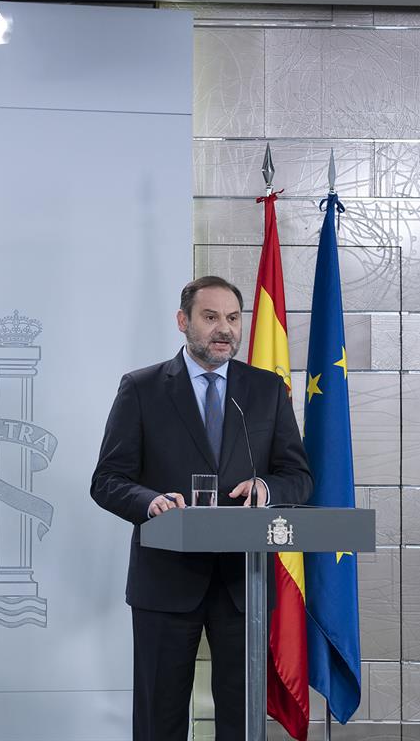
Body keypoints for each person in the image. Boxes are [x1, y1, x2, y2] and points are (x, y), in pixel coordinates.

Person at [90, 275, 312, 741]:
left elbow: (299, 476)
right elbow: (107, 481)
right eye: (210, 317)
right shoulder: (143, 388)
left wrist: (266, 489)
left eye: (233, 318)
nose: (224, 330)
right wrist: (150, 502)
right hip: (165, 582)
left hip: (243, 586)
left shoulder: (265, 390)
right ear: (182, 321)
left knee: (241, 720)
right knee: (160, 720)